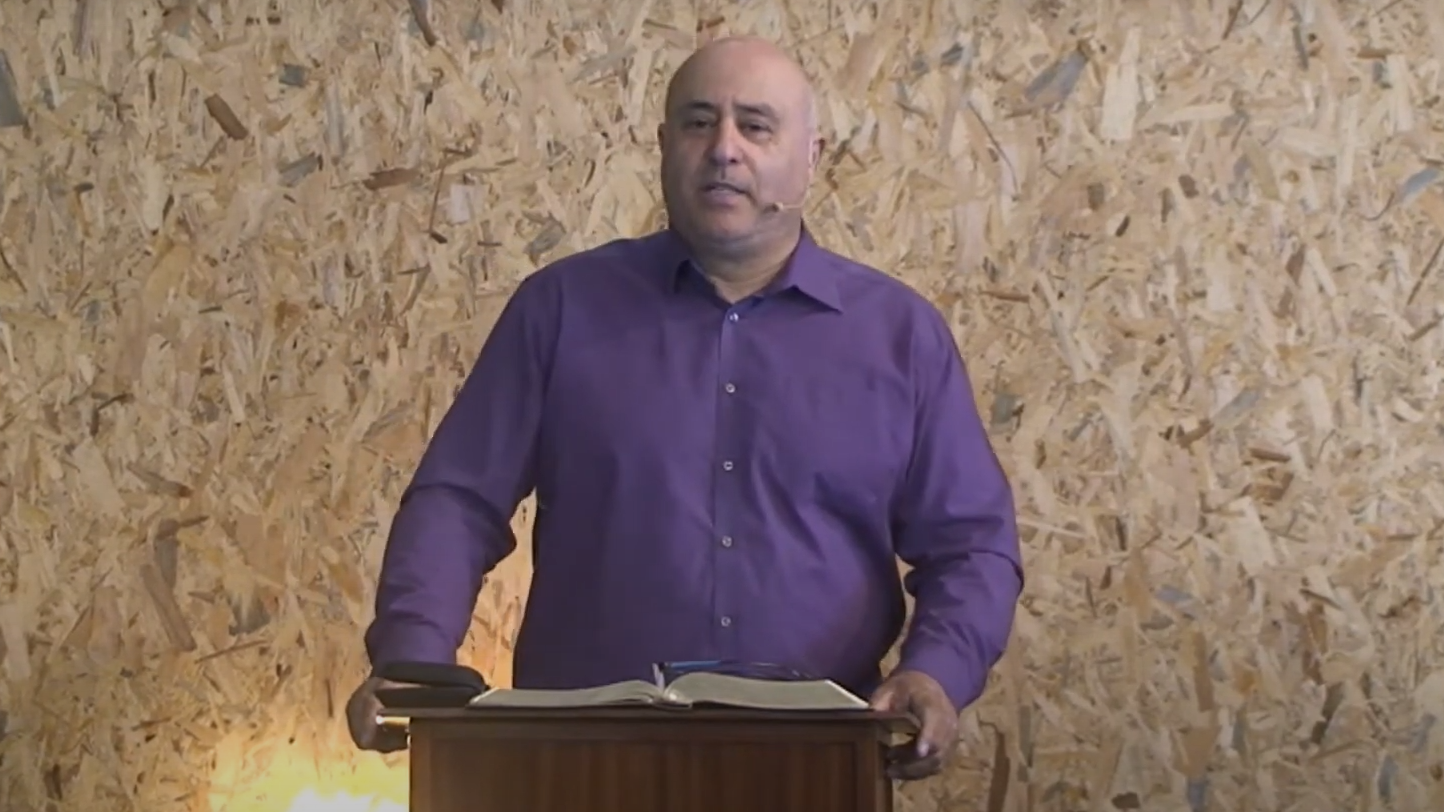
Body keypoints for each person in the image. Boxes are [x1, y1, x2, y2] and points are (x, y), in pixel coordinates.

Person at [345, 35, 1024, 781]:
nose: (725, 149)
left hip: (817, 763)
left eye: (756, 126)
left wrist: (936, 672)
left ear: (811, 157)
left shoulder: (899, 336)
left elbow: (971, 545)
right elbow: (458, 500)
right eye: (700, 122)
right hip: (579, 765)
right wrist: (413, 658)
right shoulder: (560, 310)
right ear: (665, 145)